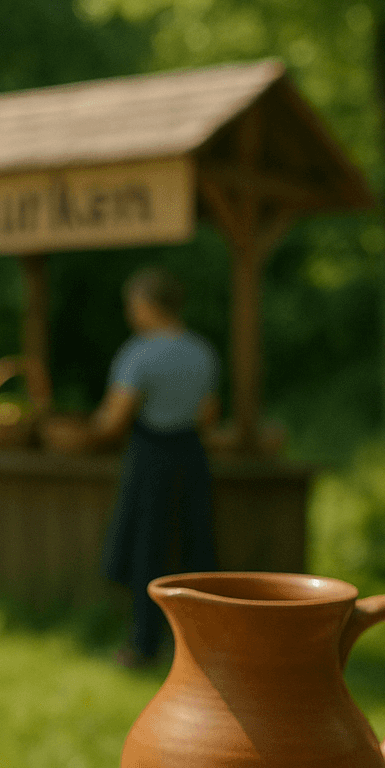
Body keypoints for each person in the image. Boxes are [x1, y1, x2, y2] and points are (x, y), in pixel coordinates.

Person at [92, 268, 220, 667]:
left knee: (148, 550)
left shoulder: (139, 353)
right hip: (192, 454)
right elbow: (209, 416)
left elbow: (113, 422)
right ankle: (207, 646)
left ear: (148, 305)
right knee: (196, 548)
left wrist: (82, 432)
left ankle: (143, 647)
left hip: (151, 456)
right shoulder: (202, 351)